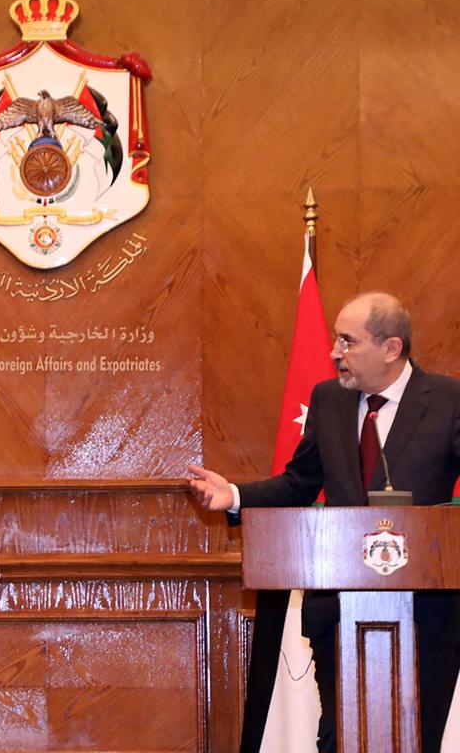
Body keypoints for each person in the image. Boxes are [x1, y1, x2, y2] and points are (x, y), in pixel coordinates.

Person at [189, 292, 460, 753]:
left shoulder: (449, 400)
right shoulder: (329, 399)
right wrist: (234, 495)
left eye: (347, 341)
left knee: (417, 740)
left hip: (427, 615)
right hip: (338, 612)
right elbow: (300, 481)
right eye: (336, 339)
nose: (335, 352)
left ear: (391, 348)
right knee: (340, 737)